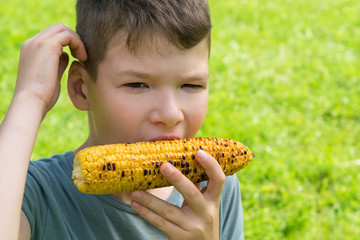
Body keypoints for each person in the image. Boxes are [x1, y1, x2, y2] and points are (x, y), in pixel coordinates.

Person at [0, 0, 244, 239]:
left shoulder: (213, 187)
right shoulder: (33, 194)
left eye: (191, 84)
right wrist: (29, 97)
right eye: (137, 84)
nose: (171, 114)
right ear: (81, 89)